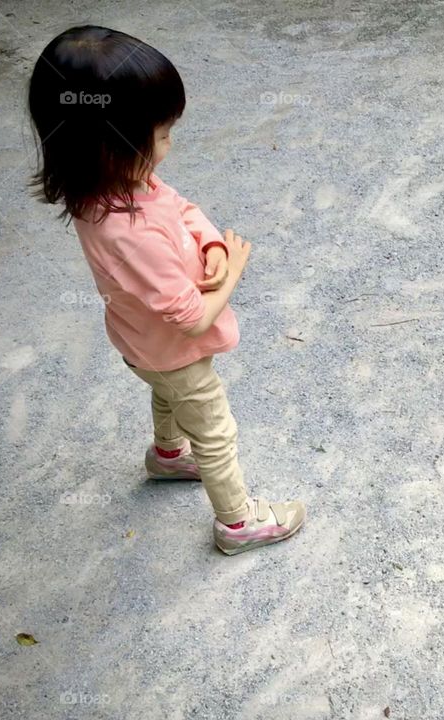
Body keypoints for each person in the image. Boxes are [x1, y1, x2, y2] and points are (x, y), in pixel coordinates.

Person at [28, 25, 305, 555]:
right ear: (110, 145)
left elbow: (180, 206)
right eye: (161, 134)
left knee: (165, 394)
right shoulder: (125, 230)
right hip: (176, 352)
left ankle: (170, 455)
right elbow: (191, 318)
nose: (168, 146)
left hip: (143, 345)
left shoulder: (120, 185)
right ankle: (238, 522)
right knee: (215, 430)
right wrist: (237, 271)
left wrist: (213, 247)